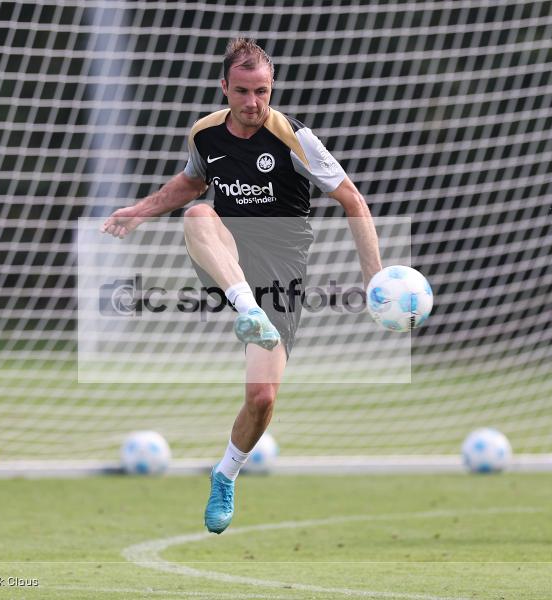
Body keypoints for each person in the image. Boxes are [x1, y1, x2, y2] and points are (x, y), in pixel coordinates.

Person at [102, 38, 382, 534]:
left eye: (262, 91)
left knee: (262, 399)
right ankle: (246, 308)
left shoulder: (295, 138)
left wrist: (375, 280)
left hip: (281, 268)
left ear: (272, 87)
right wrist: (140, 211)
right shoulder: (205, 135)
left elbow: (352, 200)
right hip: (226, 257)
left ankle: (226, 473)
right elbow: (191, 183)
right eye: (243, 91)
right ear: (224, 88)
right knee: (199, 213)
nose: (253, 103)